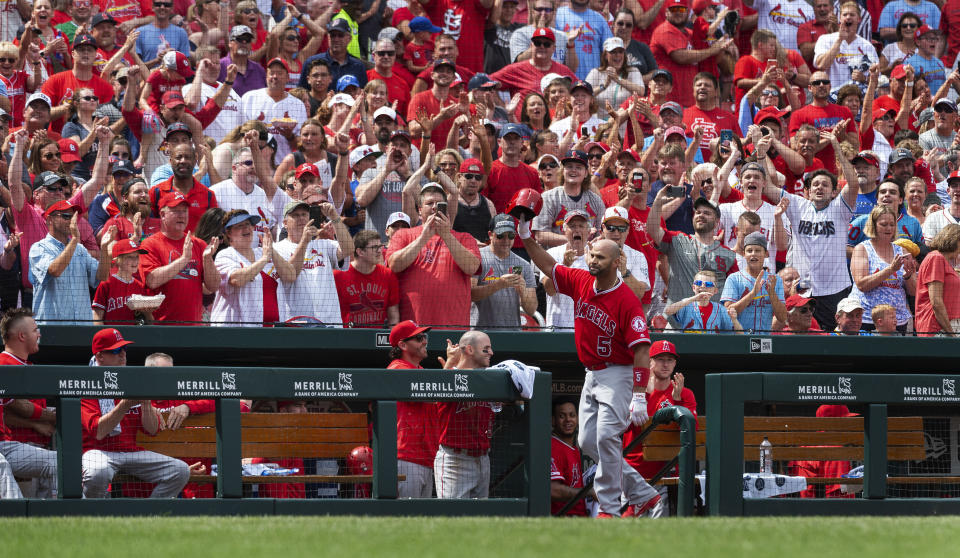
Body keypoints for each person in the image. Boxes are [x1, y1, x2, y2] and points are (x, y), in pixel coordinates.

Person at [519, 223, 659, 518]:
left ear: (617, 262)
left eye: (600, 258)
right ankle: (643, 493)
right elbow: (548, 264)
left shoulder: (626, 301)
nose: (593, 261)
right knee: (586, 441)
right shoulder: (581, 279)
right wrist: (525, 237)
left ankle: (609, 508)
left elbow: (642, 350)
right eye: (592, 255)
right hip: (591, 373)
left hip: (618, 372)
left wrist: (639, 395)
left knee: (607, 436)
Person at [759, 138, 860, 332]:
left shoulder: (840, 208)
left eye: (825, 185)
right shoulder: (798, 205)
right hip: (801, 288)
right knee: (794, 336)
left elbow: (853, 183)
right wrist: (761, 154)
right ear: (808, 191)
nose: (820, 188)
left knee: (831, 338)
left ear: (833, 192)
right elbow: (768, 187)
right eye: (815, 185)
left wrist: (836, 146)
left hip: (833, 288)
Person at [80, 328, 191, 498]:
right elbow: (99, 432)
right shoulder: (87, 384)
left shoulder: (132, 379)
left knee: (180, 471)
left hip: (130, 452)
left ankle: (149, 519)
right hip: (98, 452)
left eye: (124, 349)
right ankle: (94, 517)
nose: (122, 354)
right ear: (100, 356)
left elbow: (152, 430)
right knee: (98, 471)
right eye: (116, 351)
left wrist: (146, 402)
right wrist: (125, 404)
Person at [386, 183, 481, 327]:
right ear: (419, 211)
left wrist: (446, 235)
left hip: (453, 328)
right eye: (429, 203)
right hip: (413, 329)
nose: (435, 207)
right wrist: (423, 237)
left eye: (439, 203)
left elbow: (472, 268)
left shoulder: (464, 238)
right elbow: (394, 265)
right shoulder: (403, 235)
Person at [622, 340, 696, 517]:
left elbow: (692, 430)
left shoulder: (685, 393)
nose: (665, 364)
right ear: (649, 362)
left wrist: (678, 401)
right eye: (660, 359)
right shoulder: (636, 390)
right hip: (633, 472)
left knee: (659, 534)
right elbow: (633, 425)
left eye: (670, 360)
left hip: (664, 473)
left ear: (675, 363)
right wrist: (645, 395)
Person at [0, 308, 59, 499]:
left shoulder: (26, 364)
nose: (39, 333)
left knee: (40, 504)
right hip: (18, 444)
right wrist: (52, 417)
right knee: (27, 506)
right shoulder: (4, 362)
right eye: (35, 330)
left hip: (31, 447)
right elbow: (12, 408)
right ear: (21, 336)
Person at [139, 191, 221, 324]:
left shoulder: (198, 244)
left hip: (193, 327)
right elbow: (152, 280)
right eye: (176, 211)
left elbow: (213, 286)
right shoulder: (150, 244)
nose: (182, 215)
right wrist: (183, 260)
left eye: (184, 211)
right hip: (160, 326)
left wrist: (207, 260)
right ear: (162, 214)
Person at [647, 189, 737, 306]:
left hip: (712, 320)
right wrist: (658, 201)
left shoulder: (728, 254)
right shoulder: (678, 239)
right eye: (698, 212)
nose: (701, 215)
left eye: (707, 213)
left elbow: (733, 292)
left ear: (716, 223)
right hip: (678, 319)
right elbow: (652, 230)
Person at [435, 330, 497, 499]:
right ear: (469, 349)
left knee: (480, 520)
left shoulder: (491, 379)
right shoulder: (450, 375)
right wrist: (450, 363)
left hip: (483, 459)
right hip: (456, 460)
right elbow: (438, 395)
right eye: (486, 349)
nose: (491, 353)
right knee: (453, 519)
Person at [30, 201, 113, 324]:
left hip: (82, 327)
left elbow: (102, 276)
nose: (71, 221)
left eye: (73, 216)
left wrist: (105, 249)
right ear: (49, 220)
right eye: (66, 216)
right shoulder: (39, 247)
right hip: (52, 329)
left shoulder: (80, 250)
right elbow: (54, 270)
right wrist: (74, 240)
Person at [210, 210, 298, 327]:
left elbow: (290, 276)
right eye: (240, 226)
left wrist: (271, 251)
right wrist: (264, 259)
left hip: (273, 329)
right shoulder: (226, 255)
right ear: (229, 233)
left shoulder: (263, 252)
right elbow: (236, 280)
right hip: (235, 331)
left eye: (248, 224)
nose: (246, 228)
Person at [273, 200, 354, 325]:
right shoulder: (277, 249)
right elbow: (290, 275)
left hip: (330, 322)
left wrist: (334, 217)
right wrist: (304, 241)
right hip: (297, 323)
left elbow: (348, 249)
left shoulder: (323, 244)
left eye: (304, 214)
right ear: (284, 223)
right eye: (295, 215)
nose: (301, 218)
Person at [387, 319, 440, 498]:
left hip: (426, 457)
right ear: (402, 344)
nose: (424, 341)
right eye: (418, 338)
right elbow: (427, 393)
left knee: (422, 521)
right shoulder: (396, 368)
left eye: (424, 337)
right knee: (405, 519)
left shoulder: (421, 370)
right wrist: (449, 369)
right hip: (406, 457)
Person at [650, 0, 734, 108]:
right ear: (666, 12)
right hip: (668, 103)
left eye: (682, 9)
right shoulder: (664, 30)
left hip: (691, 102)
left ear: (688, 12)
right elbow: (680, 56)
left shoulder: (691, 33)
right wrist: (712, 50)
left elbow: (710, 59)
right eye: (673, 9)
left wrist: (721, 47)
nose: (678, 12)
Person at [849, 206, 916, 334]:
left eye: (892, 224)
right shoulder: (862, 249)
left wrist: (908, 276)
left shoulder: (902, 250)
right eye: (884, 224)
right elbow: (862, 284)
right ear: (873, 225)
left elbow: (913, 292)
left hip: (897, 321)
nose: (889, 228)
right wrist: (891, 269)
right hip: (868, 319)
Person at [472, 214, 538, 329]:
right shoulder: (476, 257)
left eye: (511, 235)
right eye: (501, 235)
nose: (506, 240)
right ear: (490, 235)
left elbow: (531, 310)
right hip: (480, 333)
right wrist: (499, 284)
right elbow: (470, 294)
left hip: (511, 334)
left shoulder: (524, 265)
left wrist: (523, 291)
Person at [787, 71, 858, 176]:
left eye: (825, 82)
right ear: (810, 88)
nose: (821, 85)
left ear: (830, 86)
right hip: (813, 176)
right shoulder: (798, 115)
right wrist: (831, 138)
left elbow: (856, 145)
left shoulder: (845, 112)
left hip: (842, 175)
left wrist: (843, 136)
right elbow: (795, 148)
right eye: (817, 83)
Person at [240, 58, 309, 165]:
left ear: (287, 77)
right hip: (253, 164)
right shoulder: (249, 98)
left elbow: (302, 145)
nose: (275, 77)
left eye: (280, 73)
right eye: (271, 73)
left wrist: (289, 135)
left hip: (283, 165)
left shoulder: (297, 105)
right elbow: (239, 133)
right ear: (266, 76)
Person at [533, 150, 604, 248]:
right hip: (555, 258)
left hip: (587, 258)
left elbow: (602, 233)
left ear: (586, 173)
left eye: (578, 167)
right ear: (562, 170)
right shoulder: (547, 198)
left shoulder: (596, 200)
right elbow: (540, 235)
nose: (573, 170)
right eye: (569, 166)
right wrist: (575, 239)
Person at [720, 231, 787, 333]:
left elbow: (782, 317)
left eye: (758, 250)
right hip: (738, 338)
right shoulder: (733, 278)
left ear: (766, 254)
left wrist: (772, 293)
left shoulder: (775, 280)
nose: (753, 254)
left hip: (763, 339)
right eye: (749, 250)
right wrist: (753, 293)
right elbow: (728, 313)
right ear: (744, 254)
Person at [334, 230, 401, 328]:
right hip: (347, 338)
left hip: (376, 339)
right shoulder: (338, 276)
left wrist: (392, 340)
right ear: (360, 251)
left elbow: (393, 316)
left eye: (380, 246)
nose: (379, 251)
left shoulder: (388, 275)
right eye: (374, 247)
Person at [789, 404, 856, 498]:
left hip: (799, 505)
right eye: (844, 420)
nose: (849, 425)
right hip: (827, 507)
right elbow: (839, 495)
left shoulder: (806, 445)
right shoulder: (836, 450)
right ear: (833, 423)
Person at [490, 27, 578, 97]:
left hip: (557, 119)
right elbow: (487, 83)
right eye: (537, 43)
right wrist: (503, 109)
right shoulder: (515, 70)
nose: (542, 47)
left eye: (547, 44)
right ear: (531, 46)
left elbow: (581, 91)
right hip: (522, 120)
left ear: (553, 48)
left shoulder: (563, 71)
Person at [542, 210, 590, 330]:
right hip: (557, 327)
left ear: (589, 231)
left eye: (581, 226)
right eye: (572, 226)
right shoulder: (551, 254)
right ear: (564, 230)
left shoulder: (597, 255)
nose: (577, 230)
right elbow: (549, 290)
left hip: (588, 328)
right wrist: (564, 266)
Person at [812, 1, 878, 90]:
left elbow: (877, 80)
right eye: (845, 14)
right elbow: (822, 65)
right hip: (832, 97)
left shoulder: (867, 46)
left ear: (859, 19)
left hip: (857, 99)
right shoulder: (825, 39)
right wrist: (839, 40)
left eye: (852, 14)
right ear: (840, 18)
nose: (848, 17)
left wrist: (864, 78)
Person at [92, 238, 154, 325]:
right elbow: (97, 317)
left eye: (136, 257)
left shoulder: (139, 286)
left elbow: (150, 323)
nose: (135, 261)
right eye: (130, 257)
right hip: (112, 335)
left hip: (133, 336)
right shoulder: (106, 284)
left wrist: (147, 312)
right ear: (118, 260)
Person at [297, 19, 368, 92]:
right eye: (333, 35)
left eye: (340, 35)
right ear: (328, 38)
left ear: (349, 38)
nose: (336, 39)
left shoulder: (358, 66)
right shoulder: (311, 62)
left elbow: (363, 94)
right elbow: (301, 93)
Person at [915, 224, 960, 336]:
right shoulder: (936, 257)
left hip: (947, 327)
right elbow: (936, 302)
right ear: (954, 240)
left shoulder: (944, 261)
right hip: (937, 328)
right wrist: (951, 334)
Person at [665, 270, 743, 331]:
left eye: (708, 284)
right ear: (693, 288)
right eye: (698, 283)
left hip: (712, 348)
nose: (702, 286)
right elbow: (668, 311)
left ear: (715, 291)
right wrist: (694, 298)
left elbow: (739, 333)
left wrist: (734, 320)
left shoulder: (720, 310)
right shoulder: (686, 306)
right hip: (689, 347)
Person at [555, 0, 612, 80]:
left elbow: (610, 52)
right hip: (562, 83)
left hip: (591, 83)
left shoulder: (599, 19)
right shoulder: (557, 16)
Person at [550, 396, 587, 516]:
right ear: (553, 420)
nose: (568, 420)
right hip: (564, 519)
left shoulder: (573, 448)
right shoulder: (553, 446)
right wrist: (588, 492)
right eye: (562, 416)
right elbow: (553, 490)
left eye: (572, 415)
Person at [585, 37, 644, 109]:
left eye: (620, 52)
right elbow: (585, 95)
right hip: (600, 119)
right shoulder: (596, 73)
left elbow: (641, 91)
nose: (618, 55)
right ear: (606, 55)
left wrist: (618, 79)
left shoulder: (633, 71)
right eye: (613, 52)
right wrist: (603, 86)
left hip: (625, 118)